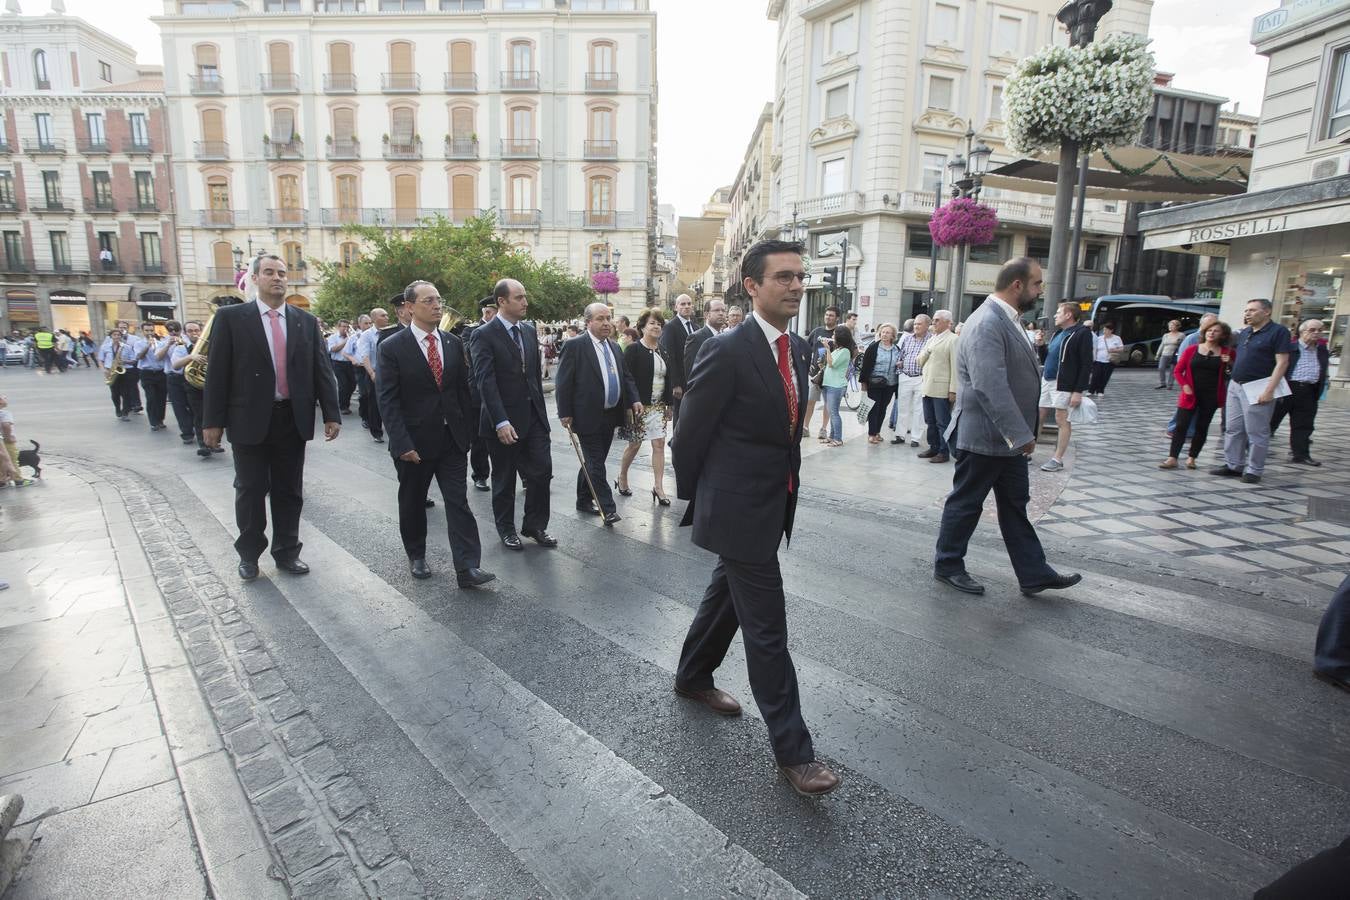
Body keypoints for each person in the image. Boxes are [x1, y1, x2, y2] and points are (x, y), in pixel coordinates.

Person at [672, 239, 840, 797]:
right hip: (738, 508)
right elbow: (688, 435)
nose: (797, 286)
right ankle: (795, 752)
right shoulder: (725, 350)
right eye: (784, 277)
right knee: (768, 630)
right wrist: (708, 500)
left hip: (772, 500)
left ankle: (692, 676)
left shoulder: (796, 346)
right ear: (751, 286)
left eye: (800, 276)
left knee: (726, 596)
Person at [933, 257, 1082, 598]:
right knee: (966, 503)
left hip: (1005, 440)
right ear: (1017, 284)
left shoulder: (1006, 318)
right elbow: (990, 386)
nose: (1040, 290)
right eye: (1037, 283)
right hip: (985, 436)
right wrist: (1019, 434)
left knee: (1015, 505)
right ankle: (948, 564)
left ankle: (1034, 573)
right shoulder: (987, 322)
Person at [202, 253, 341, 582]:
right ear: (255, 278)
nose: (277, 278)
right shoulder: (231, 318)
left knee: (289, 491)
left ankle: (287, 551)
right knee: (250, 490)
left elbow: (321, 370)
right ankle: (249, 555)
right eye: (269, 272)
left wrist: (331, 413)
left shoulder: (305, 321)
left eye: (281, 272)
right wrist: (212, 422)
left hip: (291, 418)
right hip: (248, 420)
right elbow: (217, 373)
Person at [376, 280, 494, 589]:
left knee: (458, 502)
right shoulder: (391, 347)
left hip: (451, 440)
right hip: (413, 443)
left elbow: (462, 392)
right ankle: (416, 554)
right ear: (409, 307)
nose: (436, 305)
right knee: (413, 501)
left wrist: (466, 434)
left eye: (438, 299)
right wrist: (401, 442)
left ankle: (468, 567)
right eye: (428, 301)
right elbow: (387, 400)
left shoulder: (453, 343)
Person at [470, 278, 556, 551]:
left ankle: (535, 525)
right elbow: (485, 381)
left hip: (534, 417)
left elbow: (533, 376)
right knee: (504, 479)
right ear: (501, 301)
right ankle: (506, 529)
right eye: (519, 297)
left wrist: (542, 415)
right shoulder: (483, 335)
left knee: (542, 472)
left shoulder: (528, 330)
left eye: (524, 296)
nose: (525, 302)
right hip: (503, 421)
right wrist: (500, 420)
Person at [555, 302, 641, 526]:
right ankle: (607, 508)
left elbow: (626, 376)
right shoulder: (575, 346)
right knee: (596, 462)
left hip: (610, 414)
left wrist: (634, 399)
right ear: (588, 322)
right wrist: (564, 412)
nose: (606, 323)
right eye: (600, 319)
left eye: (608, 318)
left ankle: (583, 499)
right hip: (585, 414)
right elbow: (563, 382)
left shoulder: (614, 347)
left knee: (595, 460)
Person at [1214, 298, 1291, 484]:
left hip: (1258, 386)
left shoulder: (1278, 332)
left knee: (1256, 431)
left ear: (1267, 312)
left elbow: (1282, 363)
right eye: (1246, 310)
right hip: (1236, 385)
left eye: (1252, 310)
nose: (1247, 313)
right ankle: (1233, 465)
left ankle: (1254, 470)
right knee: (1233, 428)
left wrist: (1269, 390)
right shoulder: (1245, 332)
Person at [618, 308, 674, 503]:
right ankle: (622, 476)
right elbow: (626, 379)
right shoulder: (633, 349)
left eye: (659, 324)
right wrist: (628, 405)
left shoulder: (663, 350)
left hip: (658, 406)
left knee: (659, 444)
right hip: (639, 406)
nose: (656, 326)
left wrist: (669, 404)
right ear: (642, 327)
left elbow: (668, 378)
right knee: (634, 444)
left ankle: (658, 487)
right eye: (652, 323)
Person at [1160, 321, 1233, 470]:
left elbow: (1231, 375)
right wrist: (1185, 386)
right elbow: (1178, 371)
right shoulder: (1192, 350)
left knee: (1202, 426)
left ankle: (1192, 458)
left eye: (1216, 331)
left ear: (1223, 335)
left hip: (1211, 395)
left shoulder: (1227, 352)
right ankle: (1172, 458)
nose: (1211, 333)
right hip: (1190, 394)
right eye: (1209, 330)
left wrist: (1230, 363)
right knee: (1181, 426)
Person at [1036, 302, 1092, 474]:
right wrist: (1041, 345)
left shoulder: (1082, 333)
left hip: (1063, 383)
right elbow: (1048, 358)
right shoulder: (1058, 333)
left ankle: (1057, 459)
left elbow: (1086, 364)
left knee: (1062, 419)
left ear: (1069, 315)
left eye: (1059, 312)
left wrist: (1078, 391)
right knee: (1039, 414)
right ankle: (1028, 451)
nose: (1055, 315)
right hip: (1048, 379)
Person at [1270, 319, 1329, 467]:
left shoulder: (1322, 350)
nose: (1317, 333)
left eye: (1320, 330)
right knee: (1270, 420)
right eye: (1312, 330)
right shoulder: (1290, 348)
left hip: (1309, 390)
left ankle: (1300, 455)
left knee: (1304, 425)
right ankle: (1251, 447)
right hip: (1287, 388)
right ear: (1302, 332)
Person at [459, 296, 498, 492]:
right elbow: (469, 356)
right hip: (478, 393)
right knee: (479, 438)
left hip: (502, 391)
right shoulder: (470, 331)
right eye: (496, 313)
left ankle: (524, 475)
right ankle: (480, 475)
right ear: (487, 313)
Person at [1165, 312, 1220, 441]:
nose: (1212, 328)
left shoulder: (1214, 340)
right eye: (1210, 324)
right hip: (1190, 379)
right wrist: (1184, 381)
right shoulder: (1192, 338)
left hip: (1205, 380)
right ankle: (1174, 428)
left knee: (1198, 405)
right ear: (1202, 324)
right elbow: (1181, 360)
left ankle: (1190, 430)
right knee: (1186, 405)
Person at [918, 309, 958, 463]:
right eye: (933, 320)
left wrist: (953, 390)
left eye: (937, 320)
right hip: (927, 387)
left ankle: (944, 451)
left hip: (942, 389)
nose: (933, 323)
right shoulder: (931, 339)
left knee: (943, 422)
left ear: (948, 323)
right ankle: (933, 447)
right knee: (930, 420)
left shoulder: (953, 340)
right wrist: (928, 350)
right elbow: (919, 361)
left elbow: (955, 367)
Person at [890, 314, 931, 447]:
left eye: (919, 324)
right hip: (905, 376)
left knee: (919, 410)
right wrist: (900, 367)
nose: (916, 326)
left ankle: (915, 438)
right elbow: (900, 356)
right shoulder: (907, 339)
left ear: (927, 325)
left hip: (921, 378)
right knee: (902, 407)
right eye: (915, 324)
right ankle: (900, 435)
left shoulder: (931, 339)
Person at [802, 306, 840, 441]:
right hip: (815, 374)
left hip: (831, 374)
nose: (828, 317)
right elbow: (806, 348)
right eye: (827, 315)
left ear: (837, 318)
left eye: (831, 315)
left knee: (827, 403)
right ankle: (805, 427)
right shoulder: (817, 331)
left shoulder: (839, 333)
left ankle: (823, 429)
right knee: (810, 401)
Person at [659, 293, 697, 425]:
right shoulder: (670, 327)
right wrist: (675, 384)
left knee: (693, 417)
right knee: (680, 418)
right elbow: (669, 357)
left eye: (689, 304)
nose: (686, 306)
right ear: (676, 307)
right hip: (680, 383)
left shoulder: (696, 327)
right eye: (683, 304)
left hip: (695, 381)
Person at [858, 322, 899, 444]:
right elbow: (865, 366)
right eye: (883, 332)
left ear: (893, 336)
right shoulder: (873, 348)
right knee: (874, 408)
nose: (884, 334)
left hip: (890, 384)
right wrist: (863, 383)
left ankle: (877, 432)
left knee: (883, 408)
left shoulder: (896, 349)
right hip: (874, 383)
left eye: (888, 333)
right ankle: (871, 434)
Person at [159, 321, 197, 446]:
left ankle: (198, 430)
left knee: (195, 406)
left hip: (191, 377)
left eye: (176, 330)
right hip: (174, 377)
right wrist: (168, 345)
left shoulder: (192, 343)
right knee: (179, 407)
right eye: (170, 330)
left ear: (181, 331)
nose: (174, 332)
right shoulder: (164, 342)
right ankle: (187, 433)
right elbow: (159, 358)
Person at [819, 325, 854, 447]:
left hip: (836, 386)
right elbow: (828, 365)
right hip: (828, 384)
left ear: (840, 337)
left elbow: (831, 364)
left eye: (834, 334)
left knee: (834, 413)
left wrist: (827, 349)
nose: (832, 336)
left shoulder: (845, 351)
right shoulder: (838, 350)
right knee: (831, 411)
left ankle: (838, 439)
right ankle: (832, 436)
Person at [135, 321, 169, 431]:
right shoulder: (139, 343)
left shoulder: (160, 343)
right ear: (142, 331)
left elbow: (163, 357)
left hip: (160, 372)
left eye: (151, 330)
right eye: (147, 330)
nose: (149, 333)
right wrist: (148, 345)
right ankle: (153, 422)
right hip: (147, 373)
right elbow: (139, 357)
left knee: (161, 398)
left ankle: (160, 419)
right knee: (151, 397)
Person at [684, 298, 726, 375]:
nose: (721, 313)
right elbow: (690, 371)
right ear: (706, 315)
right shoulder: (695, 338)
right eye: (716, 310)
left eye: (723, 310)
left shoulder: (727, 337)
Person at [0, 395, 34, 487]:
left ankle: (2, 481)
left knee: (1, 461)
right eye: (4, 398)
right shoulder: (5, 413)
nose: (6, 398)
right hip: (6, 441)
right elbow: (6, 425)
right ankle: (18, 480)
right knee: (12, 460)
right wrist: (8, 437)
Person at [327, 319, 356, 414]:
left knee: (352, 384)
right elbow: (333, 349)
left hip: (350, 363)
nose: (346, 329)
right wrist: (346, 340)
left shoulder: (352, 337)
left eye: (347, 327)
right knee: (343, 385)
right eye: (343, 326)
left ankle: (345, 401)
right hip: (338, 363)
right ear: (338, 327)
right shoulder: (333, 337)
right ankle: (343, 406)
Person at [1087, 323, 1123, 396]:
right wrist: (1093, 358)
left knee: (1105, 377)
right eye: (1104, 329)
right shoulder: (1099, 338)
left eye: (1106, 329)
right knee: (1095, 376)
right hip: (1098, 360)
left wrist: (1114, 350)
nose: (1104, 331)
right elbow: (1095, 348)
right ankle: (1091, 390)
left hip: (1109, 361)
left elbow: (1121, 349)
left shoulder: (1117, 338)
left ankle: (1100, 391)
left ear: (1111, 330)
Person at [1156, 320, 1184, 389]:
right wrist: (1158, 354)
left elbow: (1183, 345)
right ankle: (1162, 383)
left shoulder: (1181, 335)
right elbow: (1162, 345)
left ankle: (1170, 385)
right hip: (1164, 354)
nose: (1170, 327)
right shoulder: (1166, 335)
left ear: (1177, 326)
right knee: (1161, 368)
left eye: (1172, 325)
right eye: (1169, 325)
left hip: (1174, 355)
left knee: (1172, 370)